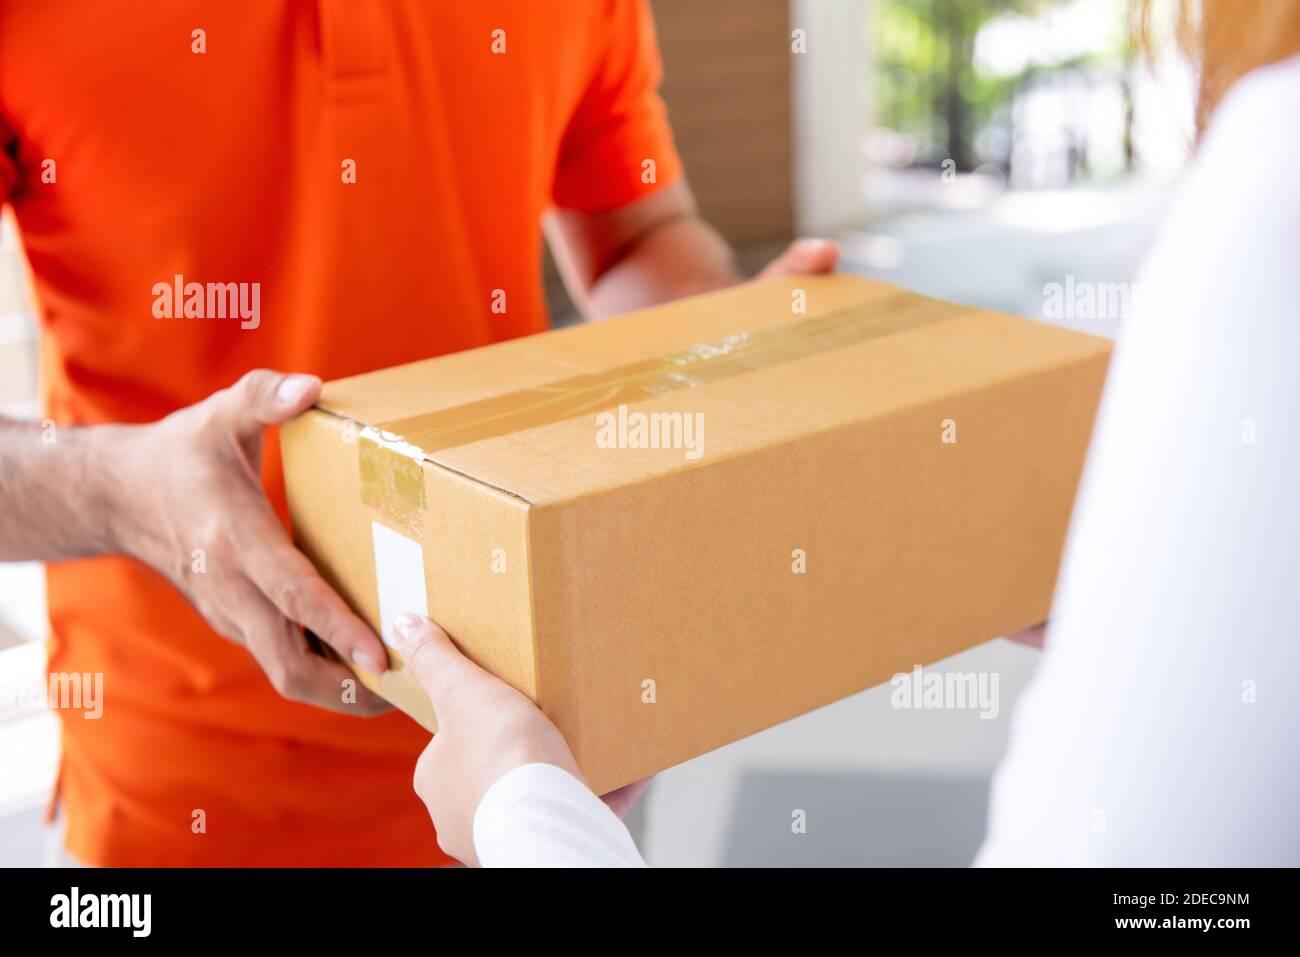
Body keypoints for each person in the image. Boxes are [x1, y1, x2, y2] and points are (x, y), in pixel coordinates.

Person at [397, 0, 1300, 867]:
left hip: (531, 726)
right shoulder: (1267, 173)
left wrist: (526, 817)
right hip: (305, 735)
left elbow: (634, 234)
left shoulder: (1272, 171)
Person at [0, 2, 836, 866]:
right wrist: (119, 488)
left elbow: (633, 237)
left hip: (531, 750)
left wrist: (736, 344)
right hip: (181, 786)